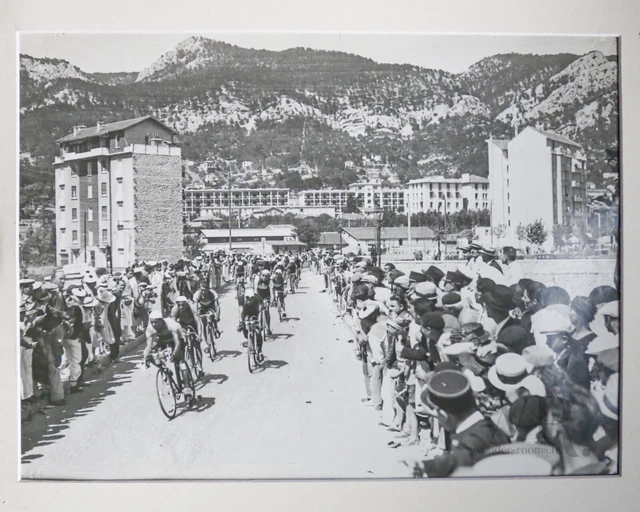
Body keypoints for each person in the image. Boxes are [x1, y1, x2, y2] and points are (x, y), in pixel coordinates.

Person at [412, 370, 510, 477]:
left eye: (436, 416)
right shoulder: (483, 426)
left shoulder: (470, 441)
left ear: (443, 414)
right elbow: (456, 461)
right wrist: (426, 466)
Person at [144, 311, 194, 403]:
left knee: (180, 360)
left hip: (177, 339)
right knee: (155, 357)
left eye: (156, 322)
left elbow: (177, 343)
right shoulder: (150, 329)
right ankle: (167, 374)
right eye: (152, 322)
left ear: (162, 321)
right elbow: (149, 346)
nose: (154, 324)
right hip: (163, 340)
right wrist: (146, 356)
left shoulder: (170, 324)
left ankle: (187, 388)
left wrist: (175, 353)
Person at [239, 288, 266, 362]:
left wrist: (259, 323)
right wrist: (241, 322)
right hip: (246, 312)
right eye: (247, 298)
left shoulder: (257, 297)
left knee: (258, 331)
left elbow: (260, 311)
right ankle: (247, 339)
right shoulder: (241, 298)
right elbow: (241, 312)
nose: (248, 300)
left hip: (255, 312)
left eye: (250, 298)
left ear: (253, 297)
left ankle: (259, 350)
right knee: (244, 325)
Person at [193, 280, 221, 348]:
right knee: (204, 324)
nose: (203, 292)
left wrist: (217, 315)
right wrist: (196, 315)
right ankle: (206, 344)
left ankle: (216, 328)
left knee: (212, 317)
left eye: (205, 290)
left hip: (211, 305)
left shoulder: (213, 293)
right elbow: (195, 307)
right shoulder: (197, 294)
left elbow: (217, 306)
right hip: (202, 306)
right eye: (202, 290)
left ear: (208, 289)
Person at [254, 269, 272, 335]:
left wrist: (272, 300)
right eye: (263, 275)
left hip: (266, 294)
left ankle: (268, 328)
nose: (264, 277)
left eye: (266, 276)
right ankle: (259, 324)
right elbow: (255, 289)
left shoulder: (270, 280)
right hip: (259, 294)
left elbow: (271, 290)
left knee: (267, 310)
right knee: (259, 309)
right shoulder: (257, 278)